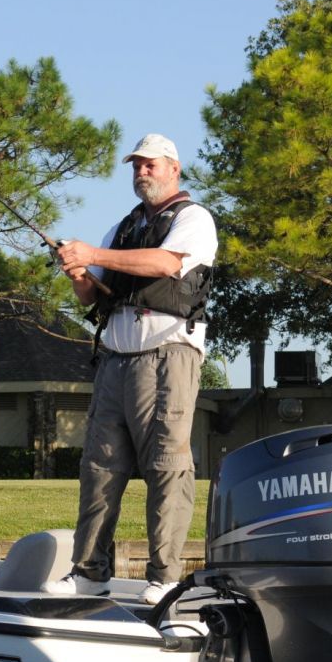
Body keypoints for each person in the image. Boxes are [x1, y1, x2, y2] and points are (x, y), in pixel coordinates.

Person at [47, 134, 217, 604]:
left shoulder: (193, 218)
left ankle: (164, 578)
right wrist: (77, 270)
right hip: (115, 360)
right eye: (136, 166)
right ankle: (89, 572)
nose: (141, 173)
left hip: (166, 356)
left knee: (165, 465)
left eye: (150, 165)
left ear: (173, 169)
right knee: (99, 468)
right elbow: (89, 293)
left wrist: (93, 256)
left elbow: (166, 264)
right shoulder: (123, 227)